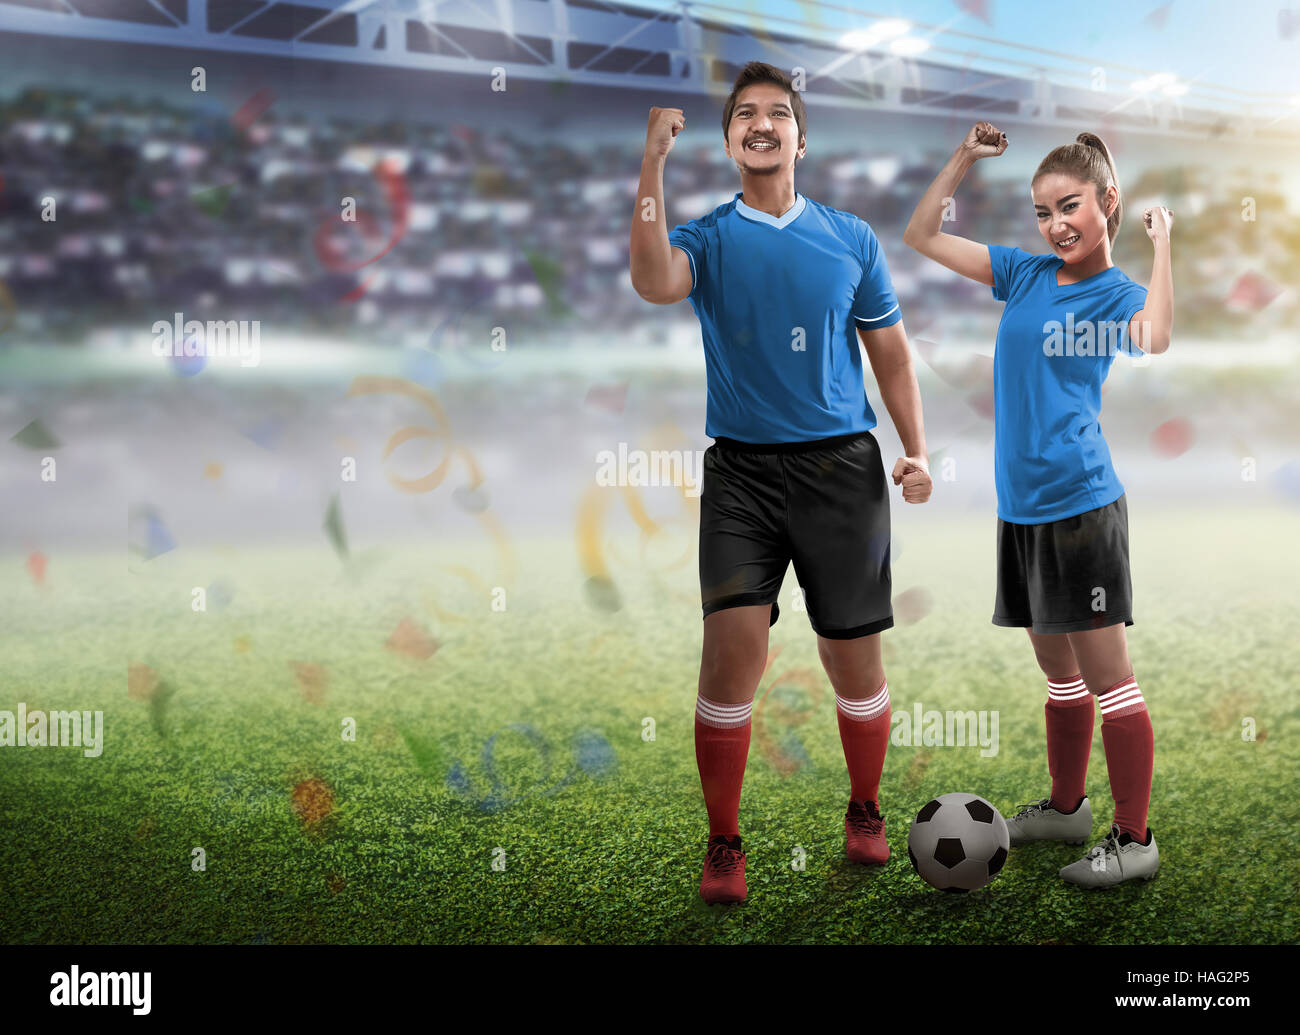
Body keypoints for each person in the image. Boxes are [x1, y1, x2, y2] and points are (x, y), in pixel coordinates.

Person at [630, 61, 933, 905]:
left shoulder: (851, 238)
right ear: (728, 141)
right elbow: (653, 282)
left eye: (777, 114)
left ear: (802, 136)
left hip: (843, 467)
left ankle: (865, 810)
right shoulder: (705, 237)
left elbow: (892, 353)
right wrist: (651, 164)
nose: (761, 124)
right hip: (741, 474)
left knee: (853, 662)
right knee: (730, 655)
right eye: (744, 116)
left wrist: (916, 449)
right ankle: (724, 843)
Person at [903, 121, 1174, 887]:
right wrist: (962, 156)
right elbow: (922, 233)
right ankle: (1066, 808)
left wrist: (1161, 246)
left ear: (1107, 201)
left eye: (1071, 206)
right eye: (1044, 211)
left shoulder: (1116, 292)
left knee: (1109, 678)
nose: (1057, 225)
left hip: (1080, 507)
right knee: (1059, 676)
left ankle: (1135, 837)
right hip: (1021, 510)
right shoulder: (1024, 274)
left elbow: (1154, 336)